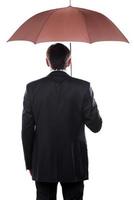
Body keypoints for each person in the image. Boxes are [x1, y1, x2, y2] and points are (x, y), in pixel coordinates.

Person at [21, 43, 103, 200]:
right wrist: (87, 99)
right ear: (69, 62)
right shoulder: (83, 87)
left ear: (47, 62)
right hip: (74, 161)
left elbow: (26, 129)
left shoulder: (32, 88)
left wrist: (29, 163)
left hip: (42, 161)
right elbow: (96, 126)